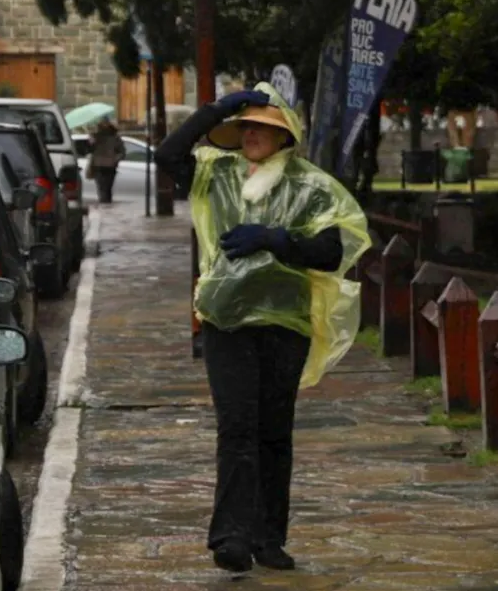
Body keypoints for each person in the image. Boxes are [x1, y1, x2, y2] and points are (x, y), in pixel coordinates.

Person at [154, 83, 369, 573]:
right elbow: (168, 153)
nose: (253, 134)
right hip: (226, 318)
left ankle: (269, 538)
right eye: (245, 125)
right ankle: (230, 536)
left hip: (284, 322)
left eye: (264, 127)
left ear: (284, 136)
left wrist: (276, 240)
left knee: (274, 432)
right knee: (236, 427)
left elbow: (333, 252)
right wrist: (216, 109)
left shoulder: (312, 188)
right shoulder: (213, 172)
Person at [88, 118, 126, 203]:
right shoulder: (95, 137)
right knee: (102, 189)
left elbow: (122, 152)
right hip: (99, 166)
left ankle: (106, 205)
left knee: (107, 189)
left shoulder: (115, 137)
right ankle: (105, 206)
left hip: (109, 167)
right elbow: (89, 150)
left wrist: (115, 159)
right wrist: (92, 140)